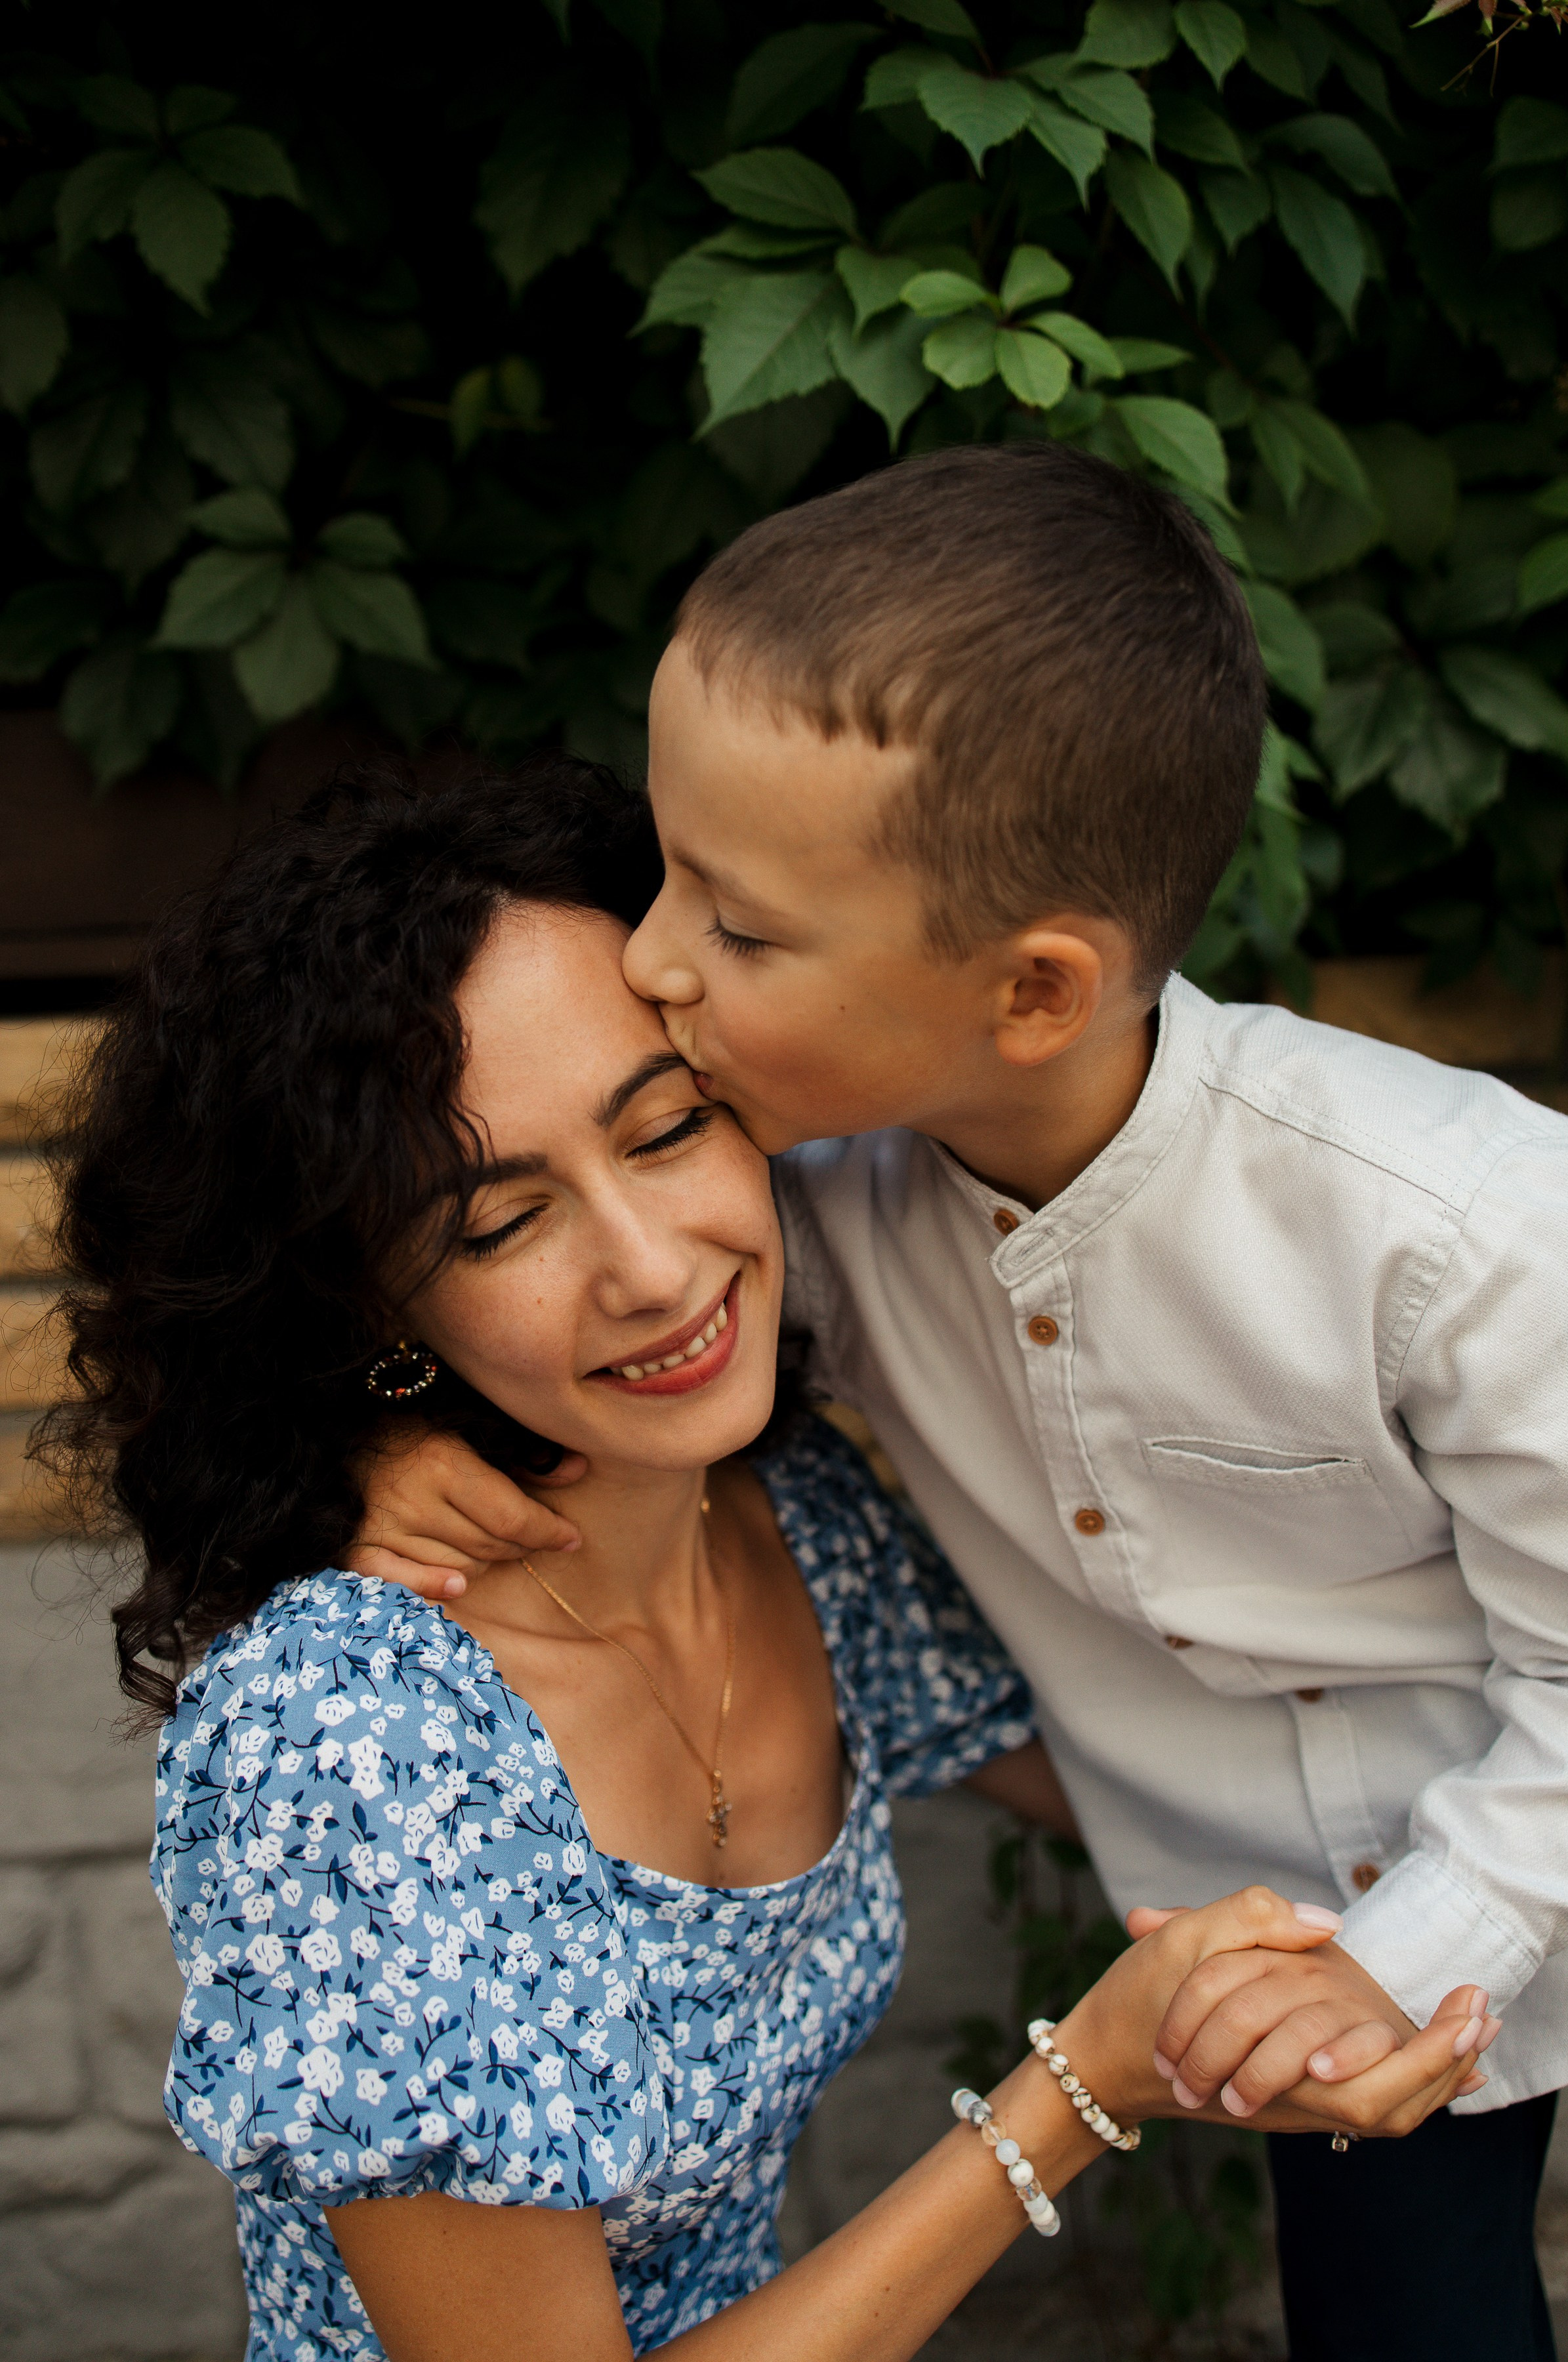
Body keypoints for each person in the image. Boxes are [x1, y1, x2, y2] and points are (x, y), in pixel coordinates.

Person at [352, 444, 1568, 2361]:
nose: (652, 960)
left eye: (739, 928)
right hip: (1279, 1949)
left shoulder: (1459, 1232)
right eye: (666, 874)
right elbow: (546, 1322)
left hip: (1505, 1859)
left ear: (1033, 993)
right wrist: (382, 1432)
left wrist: (1415, 1951)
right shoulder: (816, 1221)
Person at [42, 764, 1482, 2362]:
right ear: (375, 1302)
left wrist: (1440, 1912)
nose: (654, 1270)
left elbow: (1153, 1774)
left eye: (669, 1128)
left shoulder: (784, 1513)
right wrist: (1076, 2091)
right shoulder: (345, 1739)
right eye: (501, 1226)